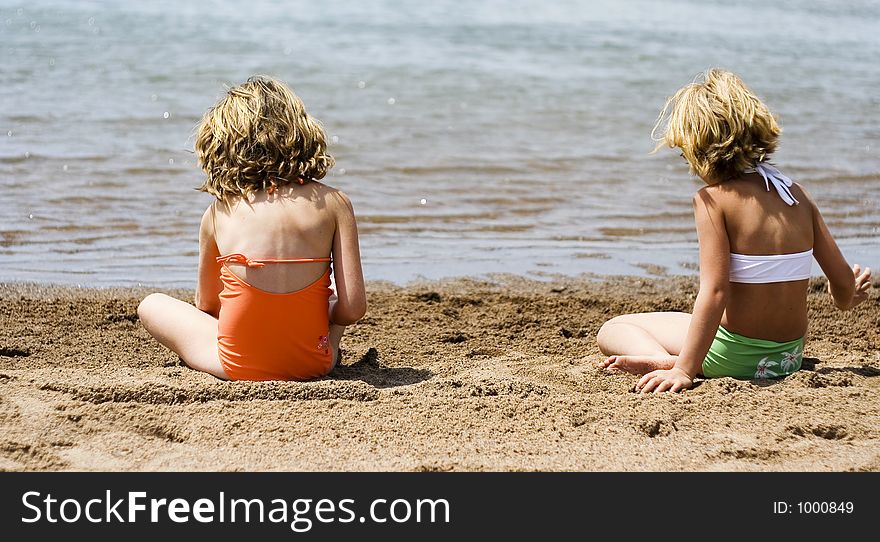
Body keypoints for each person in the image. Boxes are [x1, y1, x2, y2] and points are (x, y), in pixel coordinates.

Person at [596, 68, 872, 393]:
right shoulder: (796, 194)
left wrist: (685, 369)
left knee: (614, 328)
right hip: (787, 358)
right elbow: (842, 285)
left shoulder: (712, 201)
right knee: (680, 320)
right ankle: (684, 357)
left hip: (732, 358)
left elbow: (715, 291)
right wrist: (844, 295)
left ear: (699, 150)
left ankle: (666, 361)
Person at [138, 76, 366, 381]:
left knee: (151, 304)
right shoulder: (335, 203)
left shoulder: (218, 213)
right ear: (301, 133)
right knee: (330, 300)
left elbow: (208, 304)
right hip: (314, 362)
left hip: (237, 365)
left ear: (223, 145)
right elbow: (352, 310)